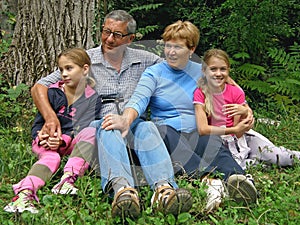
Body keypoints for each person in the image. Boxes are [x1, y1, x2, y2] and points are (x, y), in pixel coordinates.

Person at [30, 10, 193, 218]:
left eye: (117, 35)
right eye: (106, 31)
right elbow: (39, 86)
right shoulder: (86, 59)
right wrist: (51, 117)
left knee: (147, 126)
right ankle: (122, 191)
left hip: (134, 124)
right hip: (98, 127)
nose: (109, 39)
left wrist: (225, 82)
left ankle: (164, 190)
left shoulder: (146, 60)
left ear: (130, 39)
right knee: (108, 125)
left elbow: (178, 66)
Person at [104, 21, 258, 213]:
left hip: (196, 130)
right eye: (168, 46)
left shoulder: (202, 70)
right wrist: (125, 119)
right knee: (167, 133)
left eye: (178, 47)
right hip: (167, 133)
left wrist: (246, 108)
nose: (171, 52)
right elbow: (138, 100)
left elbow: (230, 87)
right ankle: (207, 179)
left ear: (191, 49)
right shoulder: (154, 73)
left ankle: (238, 180)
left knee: (211, 140)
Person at [4, 48, 101, 214]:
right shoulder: (52, 93)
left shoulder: (93, 98)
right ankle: (24, 194)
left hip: (70, 142)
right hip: (47, 141)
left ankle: (68, 179)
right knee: (52, 158)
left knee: (91, 131)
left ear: (85, 69)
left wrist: (63, 140)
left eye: (69, 68)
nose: (64, 74)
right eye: (61, 69)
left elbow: (82, 126)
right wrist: (42, 137)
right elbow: (39, 123)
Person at [194, 48, 300, 169]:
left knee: (280, 157)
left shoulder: (235, 91)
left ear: (228, 70)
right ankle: (255, 162)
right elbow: (203, 129)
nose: (218, 73)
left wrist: (245, 114)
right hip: (219, 140)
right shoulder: (200, 93)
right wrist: (234, 129)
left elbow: (242, 128)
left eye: (222, 69)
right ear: (204, 70)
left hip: (242, 137)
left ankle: (287, 156)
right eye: (213, 69)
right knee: (233, 166)